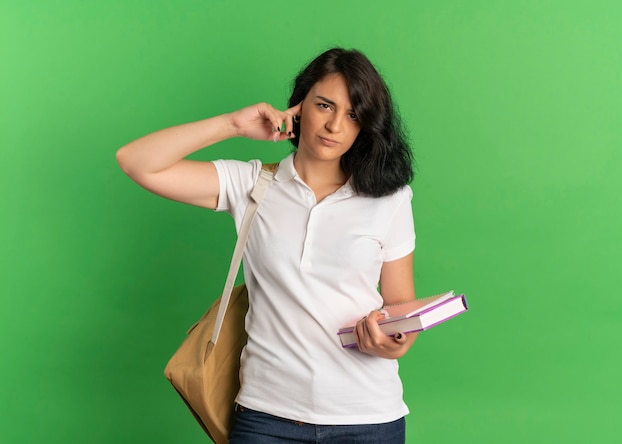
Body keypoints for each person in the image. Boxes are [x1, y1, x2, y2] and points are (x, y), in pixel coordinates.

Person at [117, 47, 418, 443]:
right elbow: (136, 161)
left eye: (353, 114)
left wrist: (396, 342)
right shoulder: (252, 185)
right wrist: (232, 125)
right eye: (324, 105)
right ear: (298, 106)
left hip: (369, 417)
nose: (334, 126)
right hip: (268, 418)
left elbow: (400, 303)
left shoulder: (389, 199)